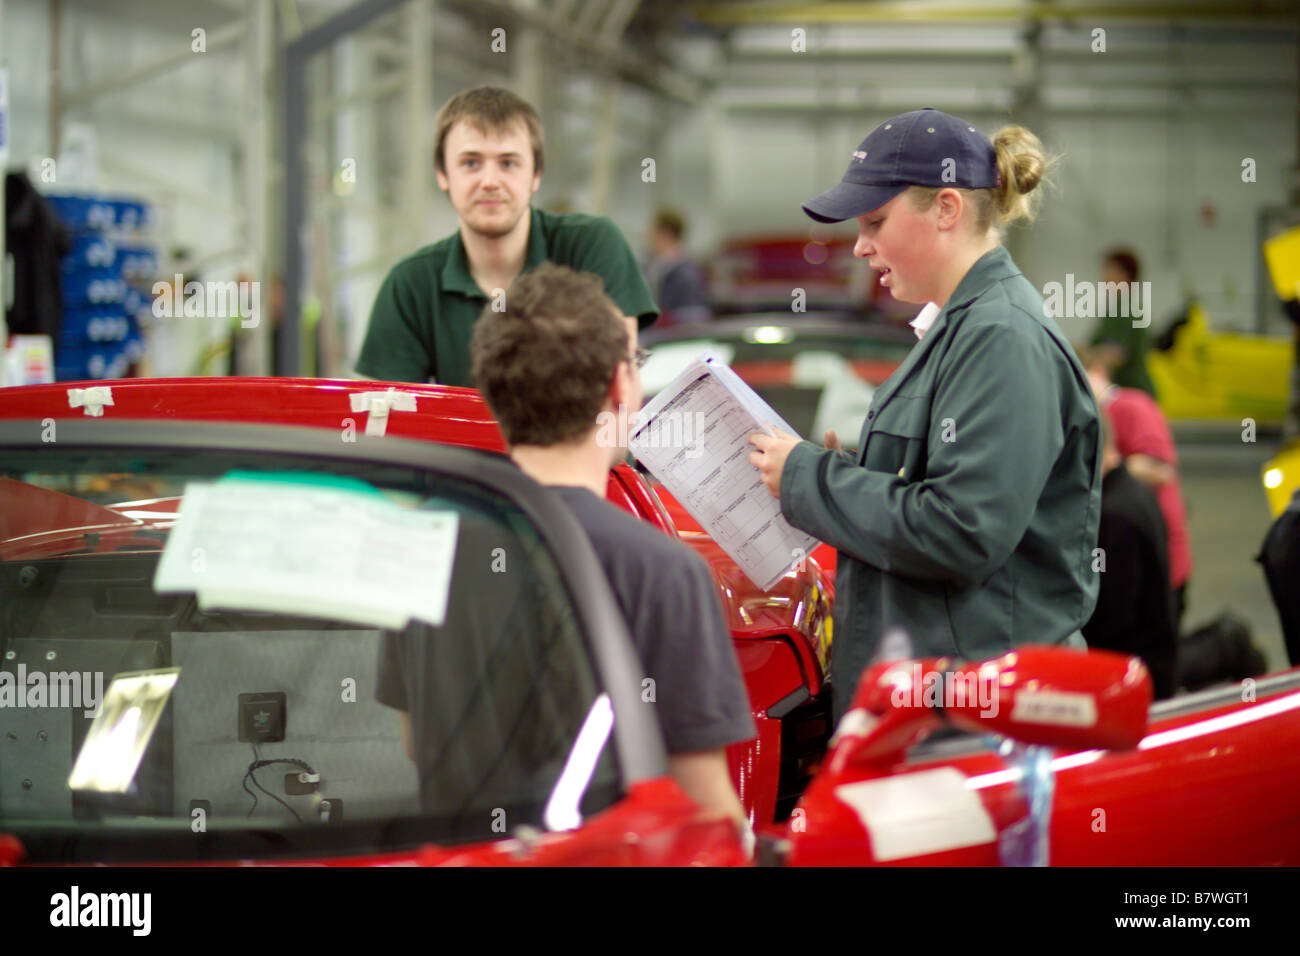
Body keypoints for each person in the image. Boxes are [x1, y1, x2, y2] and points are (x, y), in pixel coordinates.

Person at [747, 108, 1102, 723]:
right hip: (938, 704)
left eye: (875, 222)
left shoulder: (1000, 337)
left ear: (946, 208)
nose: (860, 246)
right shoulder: (961, 328)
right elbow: (944, 485)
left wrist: (811, 478)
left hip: (975, 719)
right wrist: (856, 470)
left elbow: (962, 530)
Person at [470, 262, 755, 829]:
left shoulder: (435, 547)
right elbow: (706, 809)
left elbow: (414, 737)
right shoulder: (664, 571)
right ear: (619, 386)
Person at [354, 86, 658, 385]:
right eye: (471, 163)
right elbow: (388, 410)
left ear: (536, 175)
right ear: (442, 174)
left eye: (508, 163)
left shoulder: (592, 246)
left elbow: (615, 381)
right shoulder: (410, 285)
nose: (490, 181)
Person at [1079, 345, 1193, 622]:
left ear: (1099, 372)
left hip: (1158, 556)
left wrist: (1102, 463)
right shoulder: (1095, 414)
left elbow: (1160, 469)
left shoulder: (1131, 405)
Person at [1082, 414, 1178, 699]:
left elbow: (1111, 618)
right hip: (1155, 662)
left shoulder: (1113, 515)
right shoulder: (1135, 492)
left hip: (1132, 681)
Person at [1090, 247, 1157, 398]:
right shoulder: (1121, 307)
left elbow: (1114, 354)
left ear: (1125, 275)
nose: (1104, 278)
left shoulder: (1126, 309)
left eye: (1109, 271)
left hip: (1134, 393)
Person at [643, 208, 711, 325]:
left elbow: (693, 322)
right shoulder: (658, 268)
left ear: (666, 234)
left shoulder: (685, 275)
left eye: (653, 232)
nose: (648, 237)